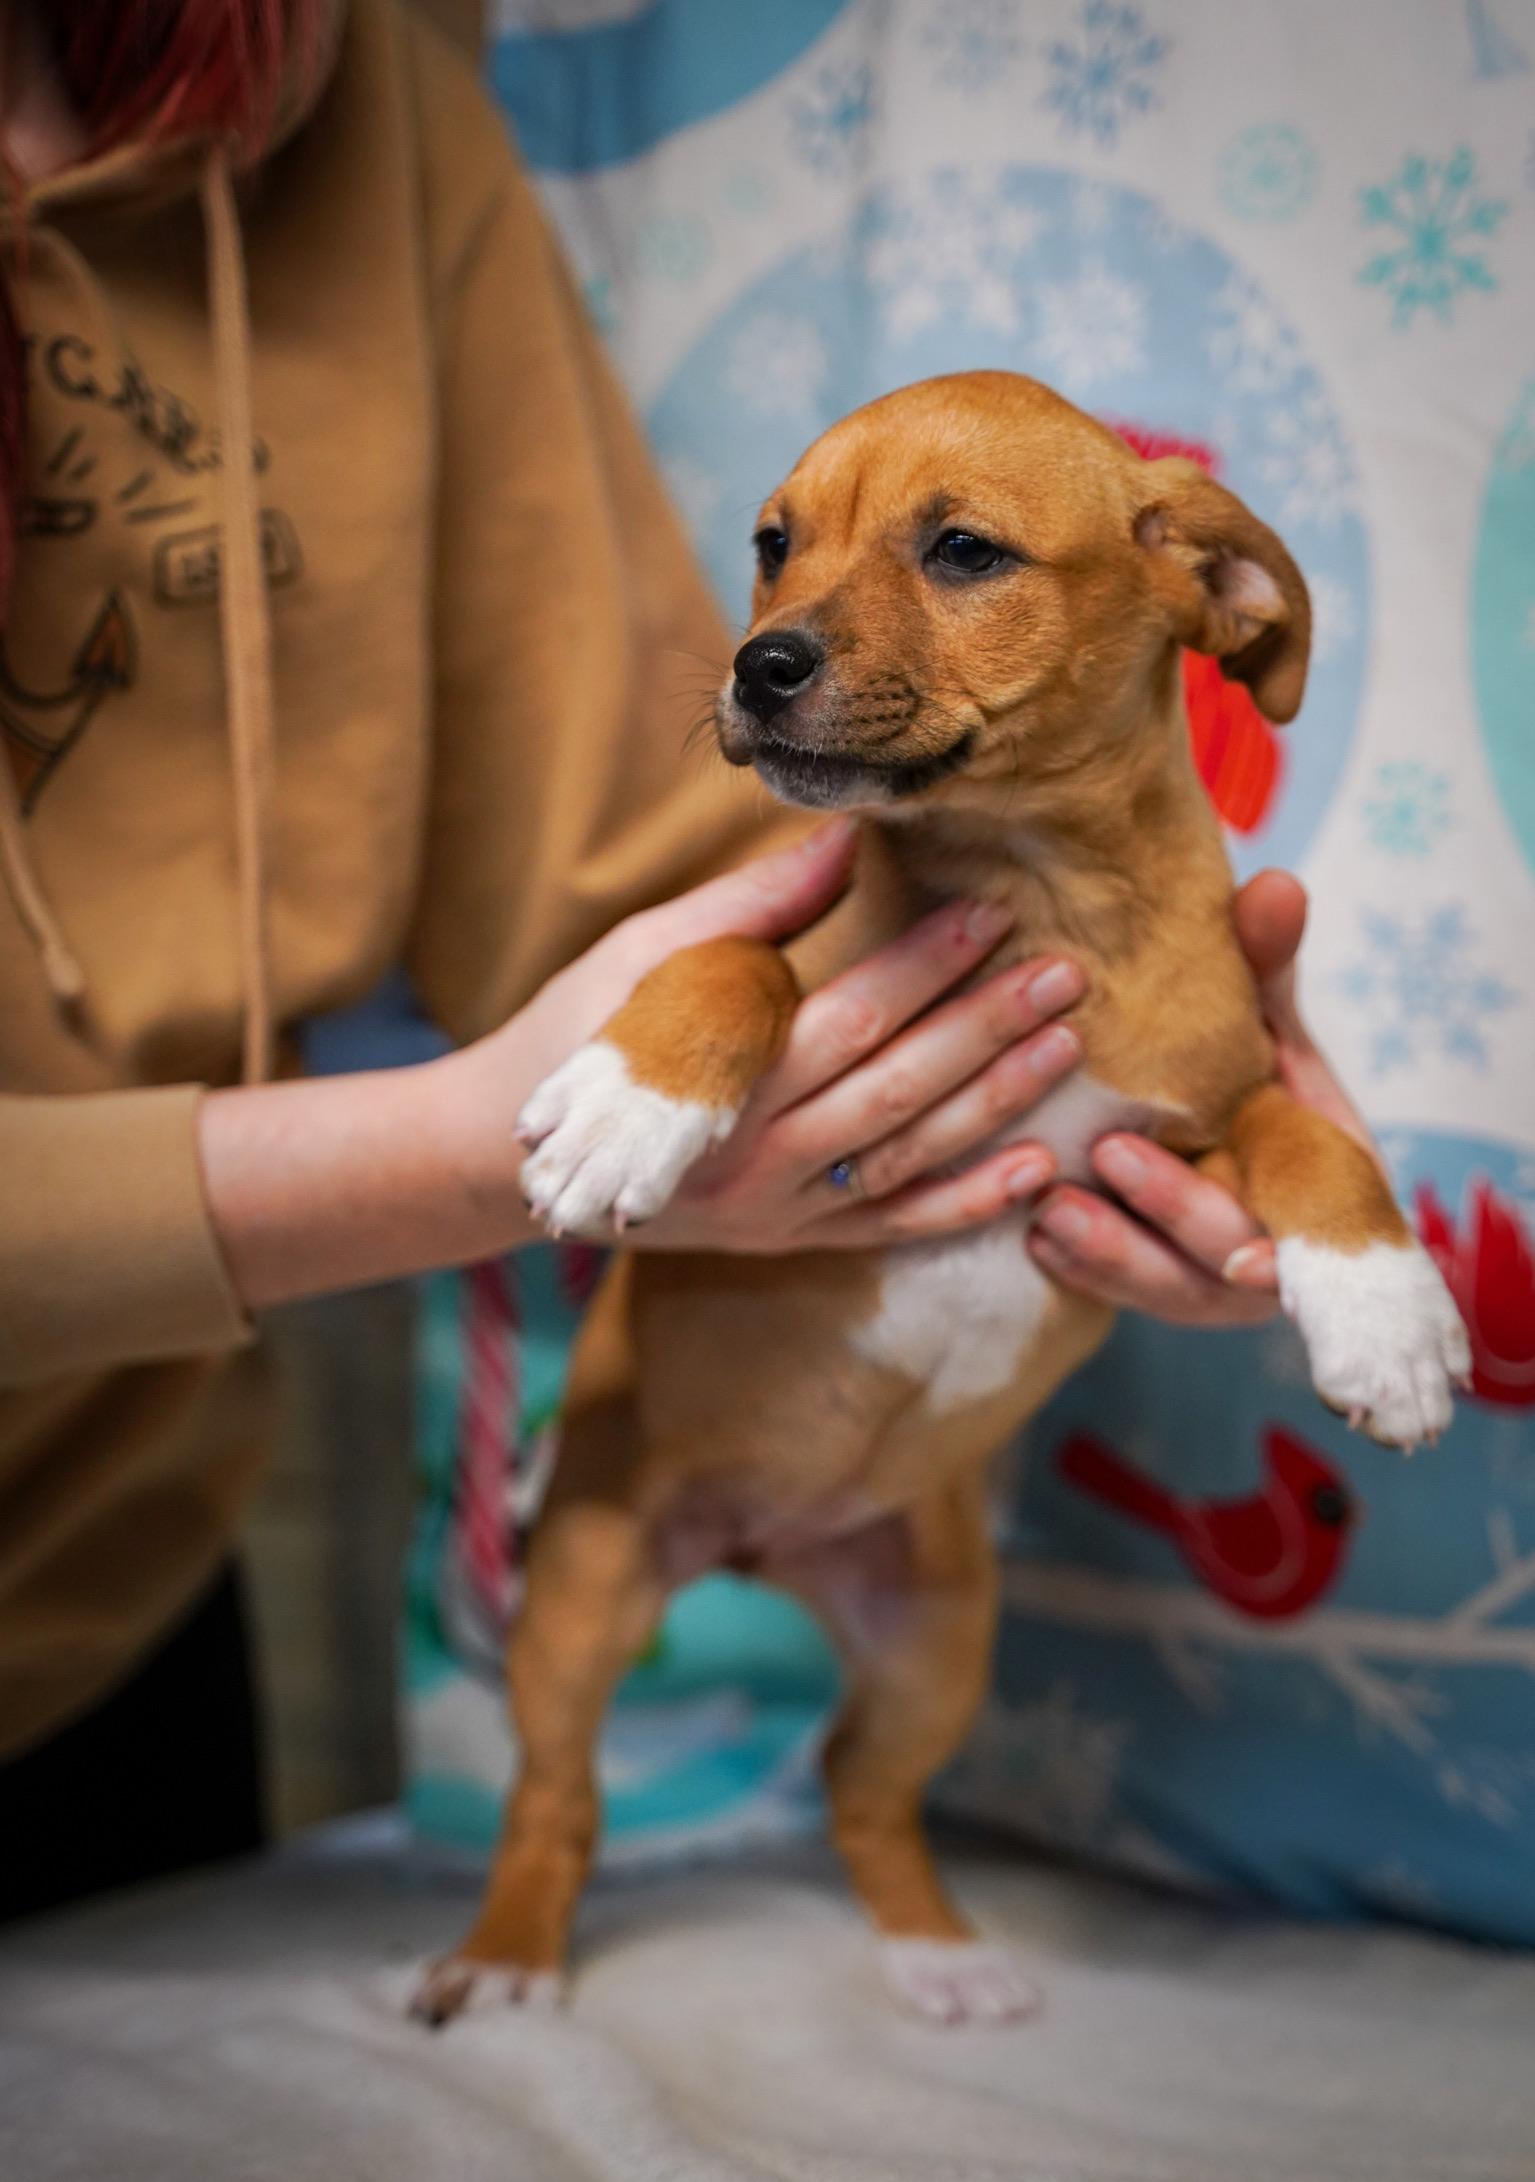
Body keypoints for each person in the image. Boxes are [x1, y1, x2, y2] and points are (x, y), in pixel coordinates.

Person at [0, 0, 1355, 1920]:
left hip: (96, 1581)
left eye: (950, 551)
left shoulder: (357, 93)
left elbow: (666, 862)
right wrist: (486, 1140)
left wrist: (1260, 1144)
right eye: (778, 555)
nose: (786, 629)